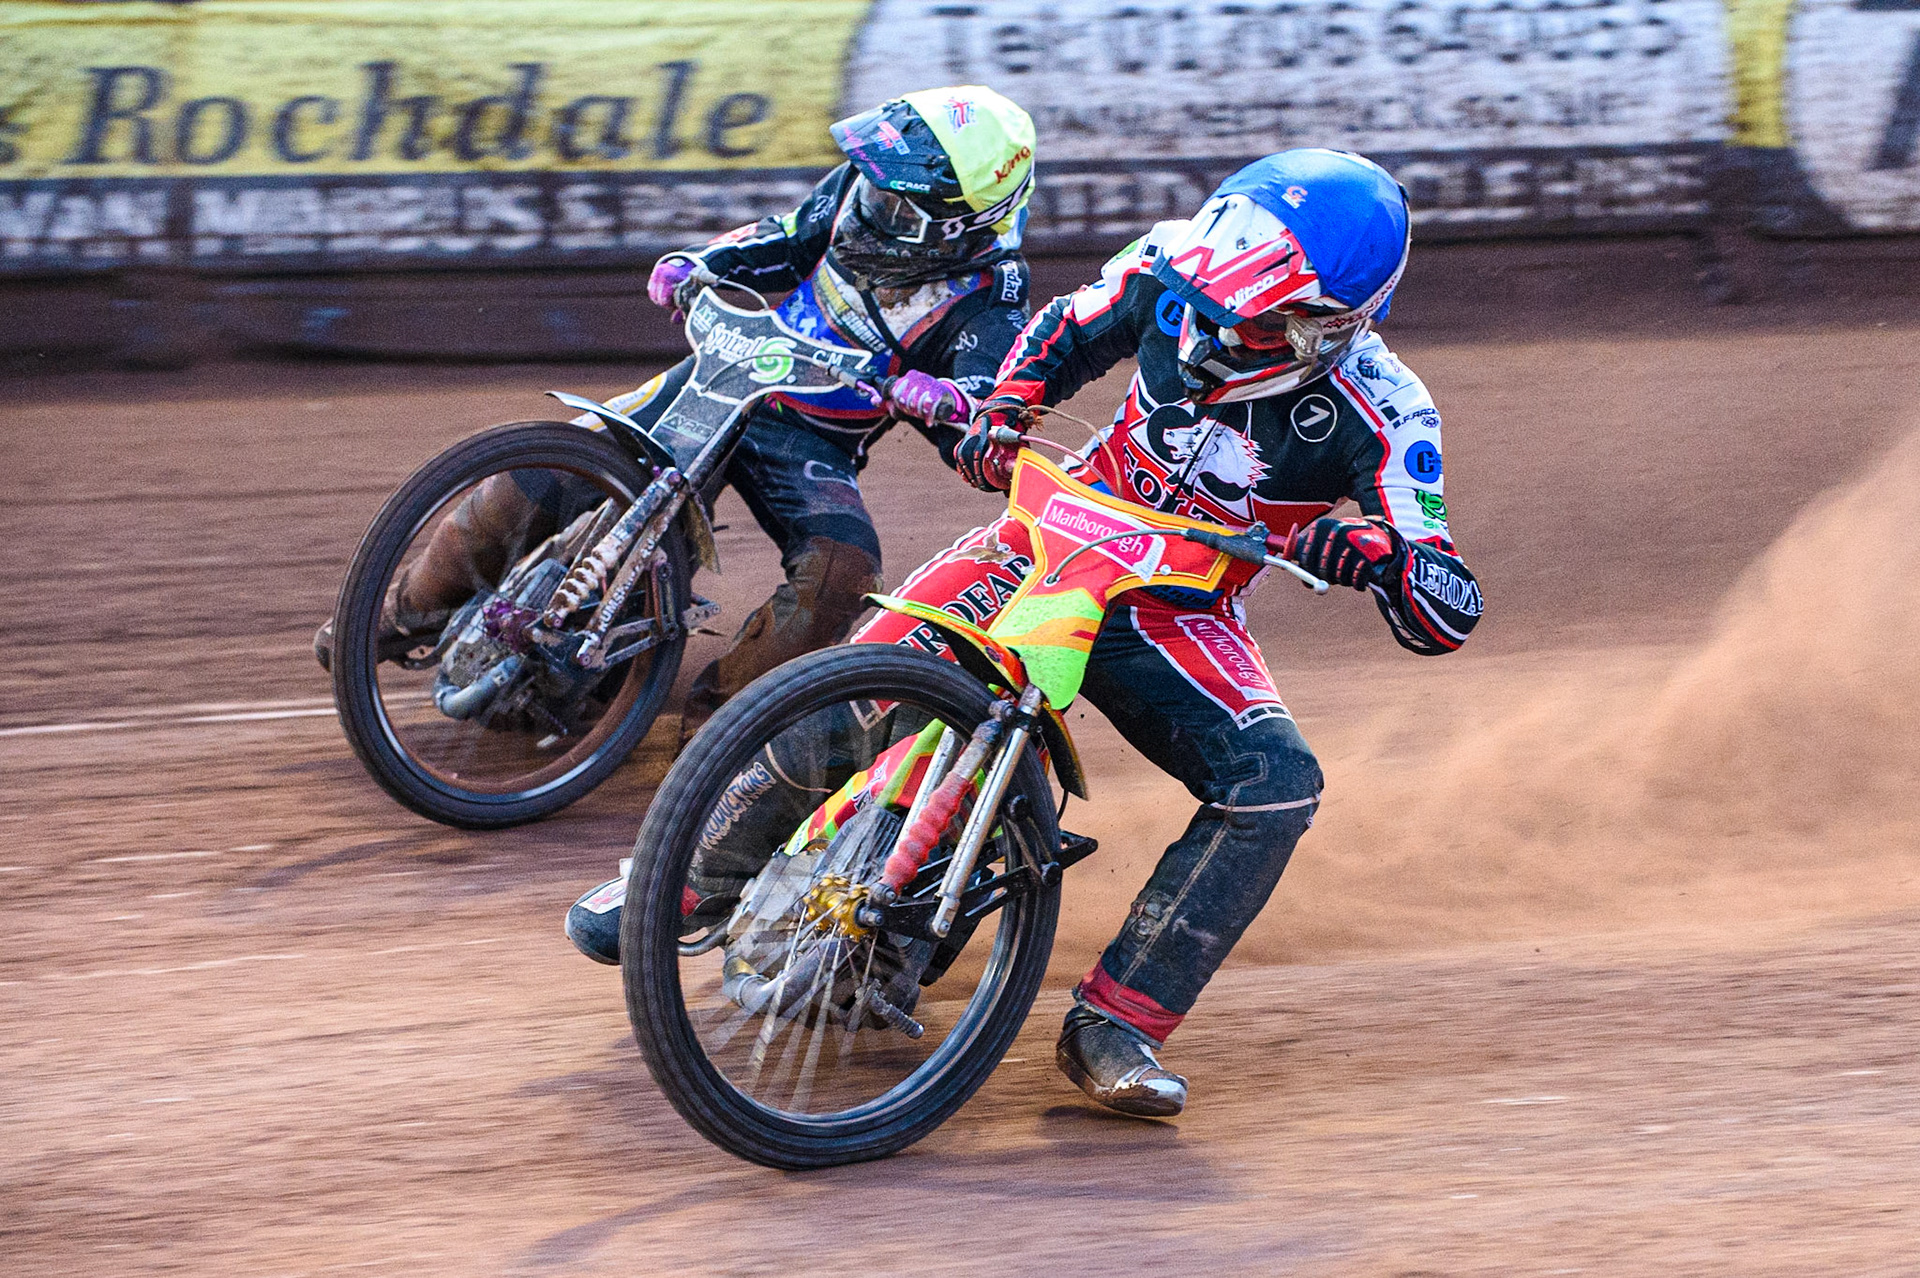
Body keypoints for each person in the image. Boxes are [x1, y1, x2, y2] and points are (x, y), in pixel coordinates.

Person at [566, 148, 1483, 1120]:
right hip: (1051, 529)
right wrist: (1007, 408)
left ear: (1332, 325)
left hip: (1179, 603)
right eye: (1209, 293)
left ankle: (1117, 1022)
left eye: (1250, 316)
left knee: (1278, 785)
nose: (1212, 322)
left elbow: (1445, 601)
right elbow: (1071, 326)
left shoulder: (1388, 415)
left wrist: (1380, 554)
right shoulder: (1173, 264)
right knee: (869, 679)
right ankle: (679, 885)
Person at [315, 85, 1039, 748]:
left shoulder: (993, 295)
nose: (870, 206)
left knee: (843, 572)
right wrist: (701, 262)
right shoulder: (864, 185)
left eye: (895, 208)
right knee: (548, 463)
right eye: (875, 189)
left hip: (807, 436)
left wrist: (952, 402)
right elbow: (783, 237)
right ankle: (397, 613)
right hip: (721, 371)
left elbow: (984, 412)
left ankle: (713, 738)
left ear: (960, 228)